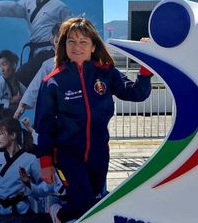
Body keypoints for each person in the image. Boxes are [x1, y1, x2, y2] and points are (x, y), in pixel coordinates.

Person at [34, 18, 153, 222]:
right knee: (84, 203)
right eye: (71, 41)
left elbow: (137, 93)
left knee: (95, 204)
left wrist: (145, 65)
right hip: (68, 155)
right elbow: (44, 127)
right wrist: (45, 162)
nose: (77, 46)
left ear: (93, 46)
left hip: (99, 153)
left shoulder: (106, 73)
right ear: (64, 45)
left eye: (83, 42)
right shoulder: (53, 81)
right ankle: (57, 213)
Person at [14, 23, 61, 119]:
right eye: (55, 41)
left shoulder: (82, 62)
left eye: (57, 42)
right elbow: (36, 85)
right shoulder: (49, 64)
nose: (54, 44)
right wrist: (22, 105)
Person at [0, 49, 26, 123]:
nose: (2, 69)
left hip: (6, 120)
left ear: (14, 65)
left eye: (4, 64)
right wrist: (10, 100)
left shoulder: (19, 86)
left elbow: (29, 97)